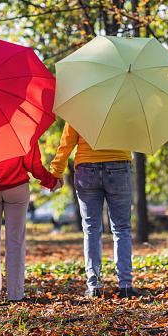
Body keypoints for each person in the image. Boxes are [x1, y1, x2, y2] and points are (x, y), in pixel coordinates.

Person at [50, 122, 140, 299]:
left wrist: (57, 170)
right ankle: (126, 286)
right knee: (121, 229)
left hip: (86, 167)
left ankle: (94, 287)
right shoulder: (127, 101)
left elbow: (67, 140)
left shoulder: (80, 101)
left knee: (91, 229)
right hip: (119, 165)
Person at [0, 142, 62, 303]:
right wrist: (51, 181)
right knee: (15, 242)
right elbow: (34, 165)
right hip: (16, 188)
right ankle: (15, 295)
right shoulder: (22, 125)